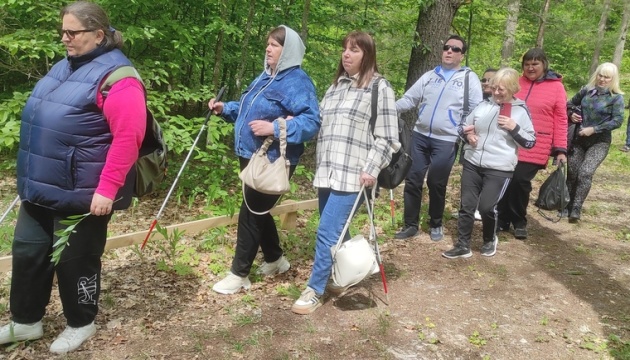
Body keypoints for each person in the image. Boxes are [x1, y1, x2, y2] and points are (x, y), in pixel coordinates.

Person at [0, 1, 146, 354]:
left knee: (76, 259)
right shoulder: (63, 67)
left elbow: (129, 137)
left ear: (98, 34)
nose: (65, 38)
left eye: (72, 32)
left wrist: (107, 189)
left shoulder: (118, 78)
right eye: (62, 31)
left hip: (81, 192)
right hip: (39, 187)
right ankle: (25, 321)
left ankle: (81, 322)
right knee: (28, 252)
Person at [291, 31, 400, 315]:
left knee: (327, 232)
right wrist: (295, 121)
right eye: (344, 49)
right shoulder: (335, 88)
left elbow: (387, 138)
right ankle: (342, 277)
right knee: (340, 232)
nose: (346, 54)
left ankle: (315, 289)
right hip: (327, 172)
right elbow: (319, 123)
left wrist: (371, 169)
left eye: (354, 50)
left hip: (354, 176)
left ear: (368, 55)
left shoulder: (379, 88)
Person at [207, 25, 320, 295]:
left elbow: (312, 121)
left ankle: (239, 274)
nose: (268, 49)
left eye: (275, 45)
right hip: (250, 155)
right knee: (258, 209)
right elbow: (249, 108)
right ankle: (275, 260)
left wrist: (276, 128)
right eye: (268, 44)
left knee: (250, 214)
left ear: (288, 50)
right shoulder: (265, 77)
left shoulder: (297, 81)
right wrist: (226, 109)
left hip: (273, 160)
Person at [395, 35, 483, 241]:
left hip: (447, 139)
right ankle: (411, 225)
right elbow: (409, 99)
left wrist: (463, 129)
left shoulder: (469, 79)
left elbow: (476, 110)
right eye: (446, 47)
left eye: (455, 49)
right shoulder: (429, 76)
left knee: (436, 182)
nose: (449, 51)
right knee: (413, 180)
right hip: (420, 136)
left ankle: (435, 223)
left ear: (462, 55)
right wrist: (386, 108)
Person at [442, 68, 536, 259]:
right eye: (494, 88)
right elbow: (462, 128)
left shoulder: (520, 111)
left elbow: (530, 143)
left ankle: (488, 239)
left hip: (499, 168)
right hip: (473, 161)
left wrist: (514, 128)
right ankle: (463, 245)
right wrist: (469, 136)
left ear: (512, 89)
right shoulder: (482, 105)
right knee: (467, 206)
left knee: (486, 207)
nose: (496, 93)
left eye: (501, 89)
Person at [497, 48, 567, 239]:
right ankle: (502, 219)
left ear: (544, 64)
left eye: (535, 64)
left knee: (520, 180)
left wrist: (560, 149)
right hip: (509, 140)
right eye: (527, 64)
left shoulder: (556, 87)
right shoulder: (516, 82)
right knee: (505, 179)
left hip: (536, 143)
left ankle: (519, 221)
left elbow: (561, 119)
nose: (530, 68)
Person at [565, 62, 624, 223]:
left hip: (600, 141)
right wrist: (571, 114)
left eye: (607, 77)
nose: (603, 79)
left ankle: (576, 207)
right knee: (572, 172)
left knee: (586, 172)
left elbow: (618, 120)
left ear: (613, 79)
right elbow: (569, 104)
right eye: (600, 75)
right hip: (578, 139)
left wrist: (595, 129)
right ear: (596, 75)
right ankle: (566, 204)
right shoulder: (586, 90)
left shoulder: (616, 97)